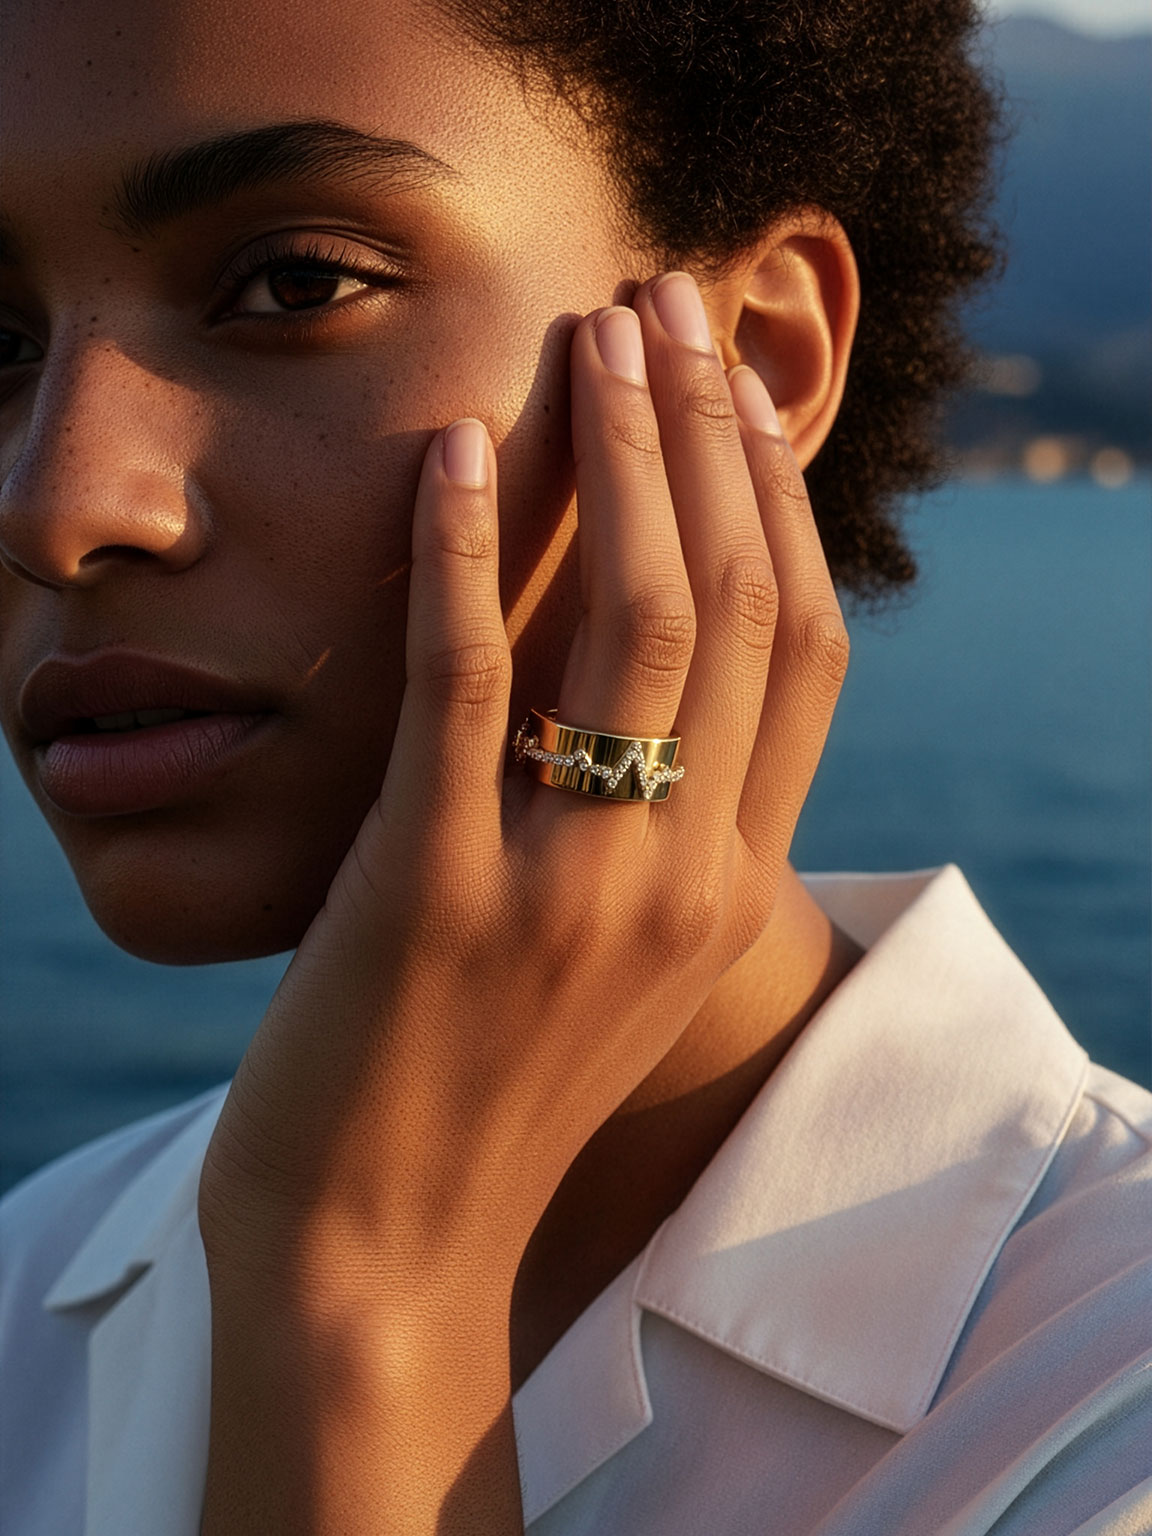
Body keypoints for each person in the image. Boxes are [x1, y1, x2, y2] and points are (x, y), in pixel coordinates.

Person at [0, 0, 1149, 1531]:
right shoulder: (25, 1295)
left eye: (297, 283)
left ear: (752, 359)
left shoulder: (1105, 1395)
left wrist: (370, 1292)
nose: (57, 505)